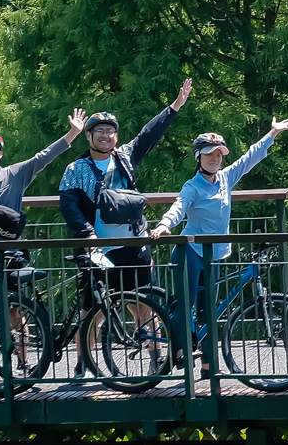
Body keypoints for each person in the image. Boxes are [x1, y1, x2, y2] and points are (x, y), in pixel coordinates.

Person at [59, 75, 193, 364]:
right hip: (94, 247)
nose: (106, 136)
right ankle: (84, 362)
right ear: (89, 136)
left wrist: (175, 106)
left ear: (116, 136)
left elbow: (149, 134)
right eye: (99, 131)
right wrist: (86, 234)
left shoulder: (125, 157)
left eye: (110, 131)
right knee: (90, 307)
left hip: (133, 243)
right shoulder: (76, 168)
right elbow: (69, 205)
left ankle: (156, 355)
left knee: (142, 303)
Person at [154, 116, 288, 330]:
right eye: (209, 153)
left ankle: (206, 362)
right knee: (184, 307)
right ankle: (178, 352)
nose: (215, 158)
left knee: (207, 312)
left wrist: (272, 133)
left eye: (219, 154)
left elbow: (249, 158)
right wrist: (165, 225)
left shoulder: (225, 178)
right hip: (191, 253)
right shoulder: (192, 186)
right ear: (198, 157)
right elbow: (179, 206)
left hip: (216, 253)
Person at [0, 110, 87, 268]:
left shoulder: (15, 175)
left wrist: (73, 132)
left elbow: (43, 157)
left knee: (21, 288)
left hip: (11, 257)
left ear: (0, 154)